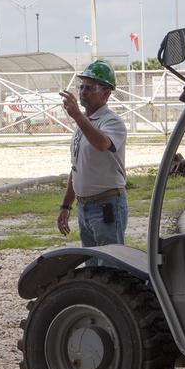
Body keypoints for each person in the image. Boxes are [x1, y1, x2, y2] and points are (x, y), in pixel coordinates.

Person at [56, 60, 129, 246]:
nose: (83, 92)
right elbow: (77, 167)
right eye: (82, 87)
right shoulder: (84, 124)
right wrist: (66, 205)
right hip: (84, 206)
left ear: (106, 94)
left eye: (90, 88)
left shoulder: (112, 122)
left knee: (110, 264)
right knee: (93, 266)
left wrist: (78, 116)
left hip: (106, 205)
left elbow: (102, 144)